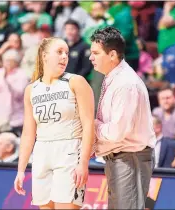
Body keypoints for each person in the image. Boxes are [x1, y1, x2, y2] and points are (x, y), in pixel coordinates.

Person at [14, 37, 94, 209]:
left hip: (69, 150)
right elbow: (28, 133)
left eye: (66, 53)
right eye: (59, 52)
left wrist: (84, 163)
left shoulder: (76, 82)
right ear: (44, 56)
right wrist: (21, 170)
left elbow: (89, 125)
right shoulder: (31, 89)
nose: (65, 56)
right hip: (42, 152)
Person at [89, 27, 156, 209]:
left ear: (112, 55)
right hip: (121, 158)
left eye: (95, 53)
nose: (90, 57)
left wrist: (92, 125)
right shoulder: (114, 78)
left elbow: (117, 132)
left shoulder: (125, 84)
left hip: (130, 158)